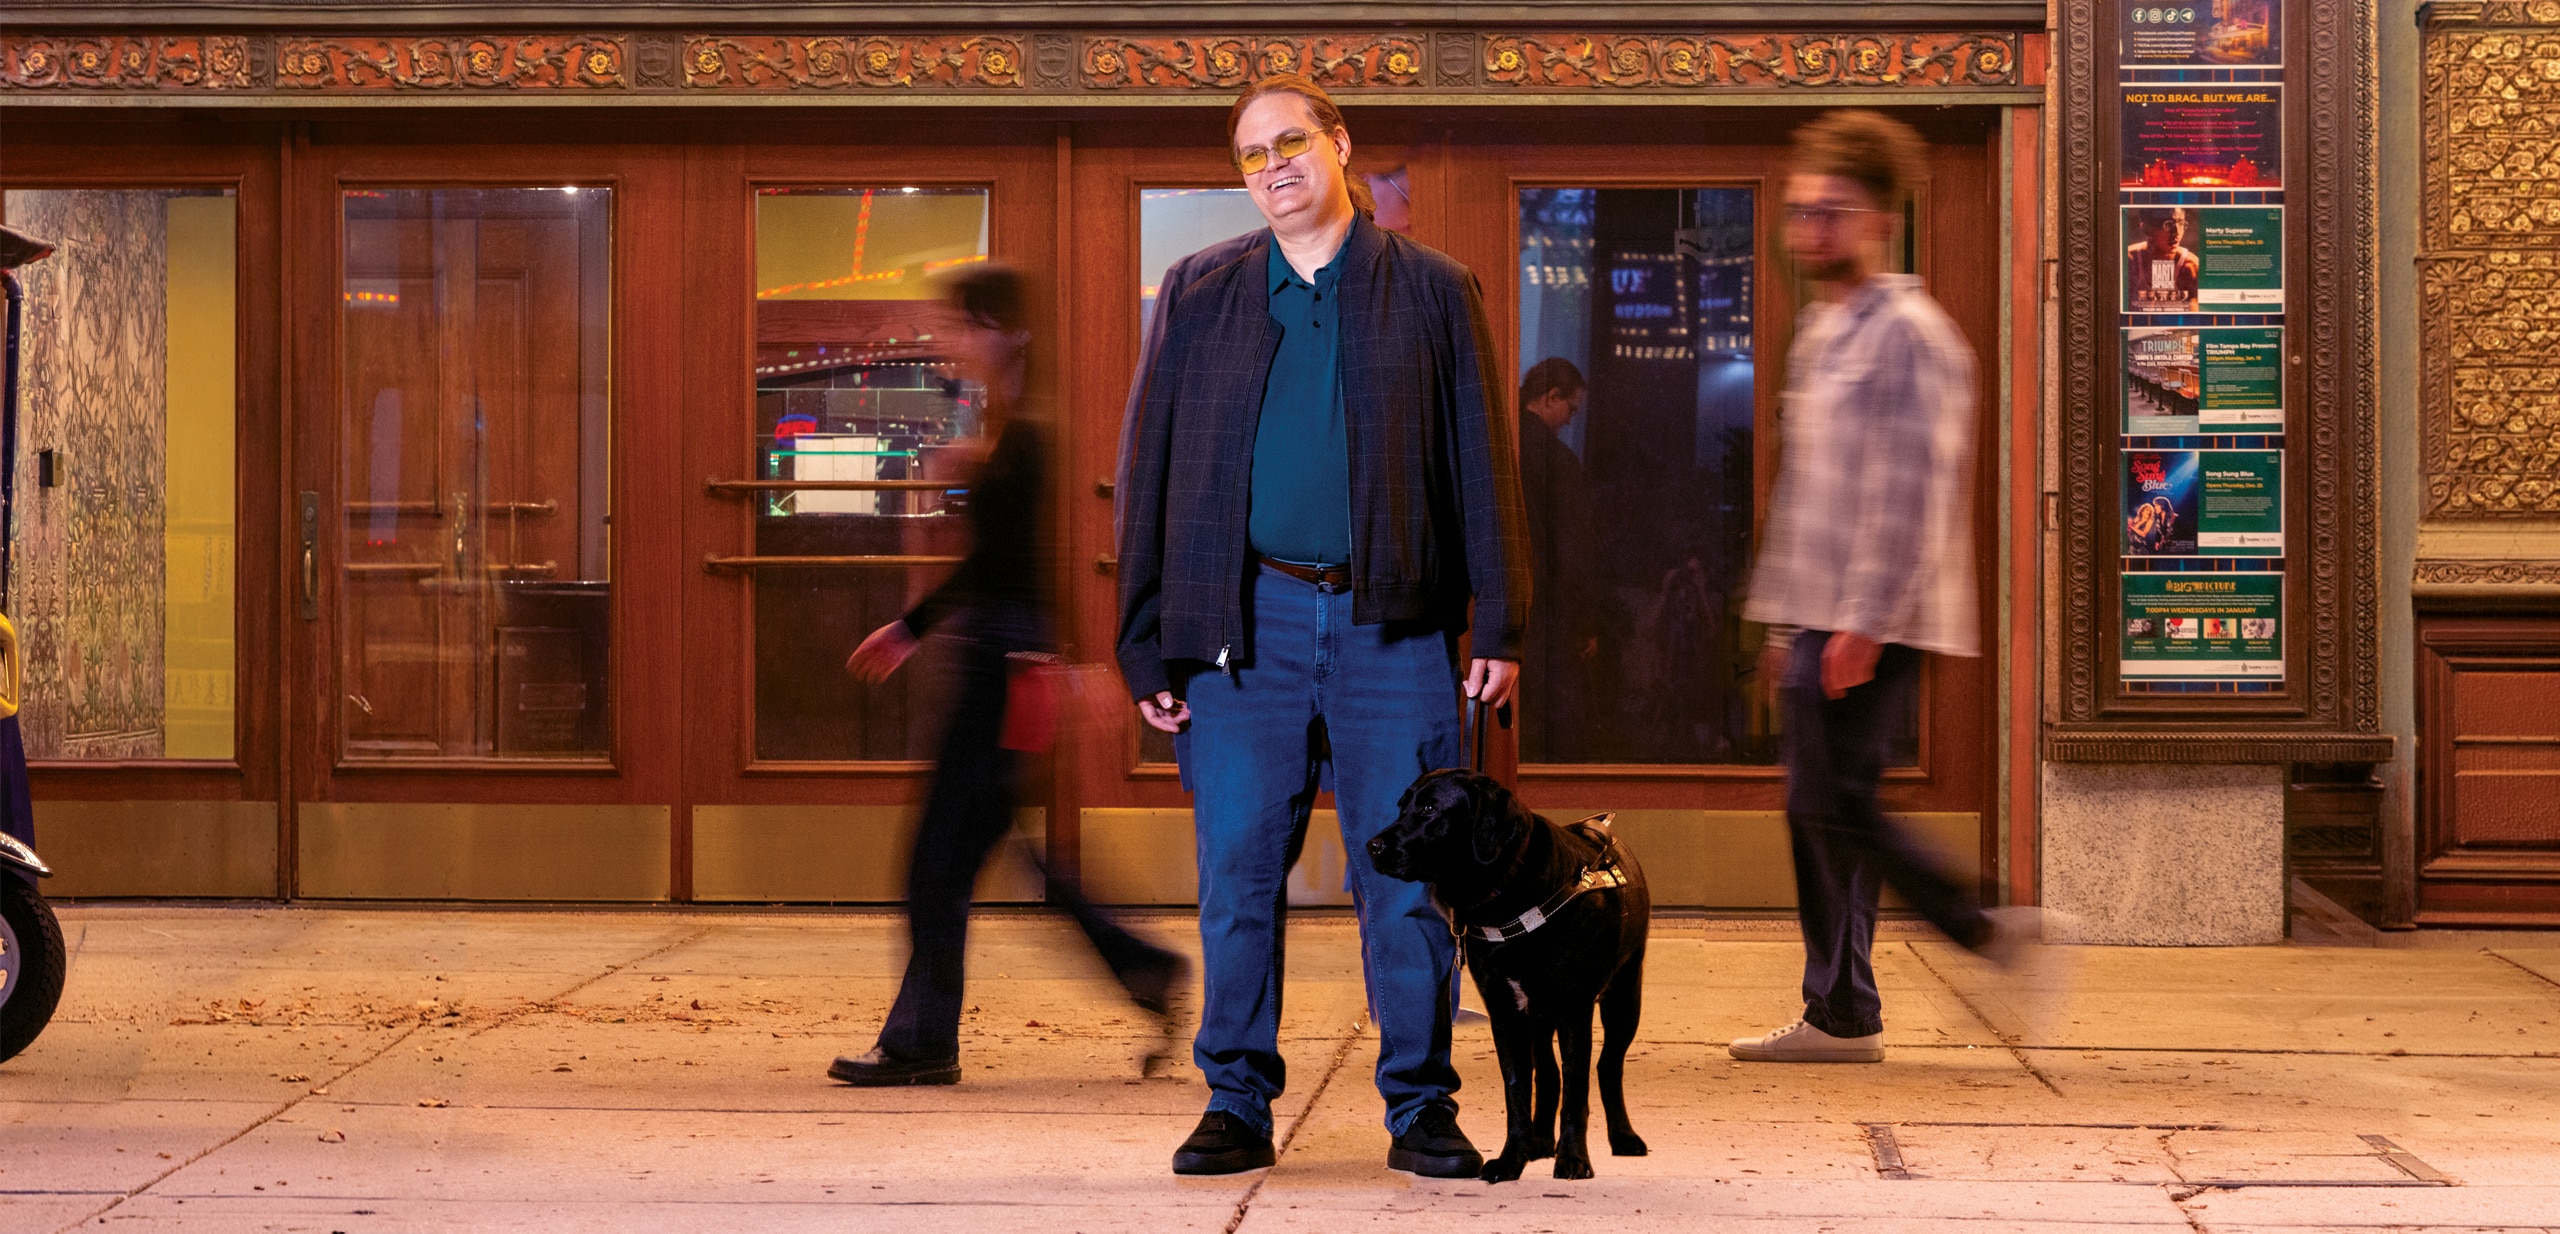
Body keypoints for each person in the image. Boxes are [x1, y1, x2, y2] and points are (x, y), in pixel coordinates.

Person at [1115, 73, 1529, 1177]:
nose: (1273, 167)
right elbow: (1148, 469)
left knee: (1402, 881)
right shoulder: (1197, 292)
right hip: (1241, 627)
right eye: (1251, 154)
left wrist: (1502, 620)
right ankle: (1235, 1100)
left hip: (1393, 623)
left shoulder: (1434, 289)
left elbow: (1483, 465)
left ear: (1340, 145)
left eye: (1291, 141)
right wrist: (1144, 637)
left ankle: (1420, 1106)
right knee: (1237, 874)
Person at [830, 265, 1186, 1087]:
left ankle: (924, 1040)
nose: (953, 343)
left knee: (939, 861)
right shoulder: (1008, 426)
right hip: (1005, 662)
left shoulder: (1027, 435)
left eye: (965, 326)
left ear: (1010, 330)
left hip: (1003, 669)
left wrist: (914, 629)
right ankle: (1143, 970)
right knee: (991, 851)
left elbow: (1008, 560)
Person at [1732, 109, 2016, 1066]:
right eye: (1800, 211)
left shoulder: (1913, 335)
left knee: (1835, 803)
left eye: (1831, 212)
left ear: (1878, 218)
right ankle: (1841, 1010)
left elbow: (1910, 495)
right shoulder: (1822, 330)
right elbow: (1807, 490)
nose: (1809, 230)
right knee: (1821, 806)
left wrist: (1859, 626)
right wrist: (1785, 620)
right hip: (1822, 611)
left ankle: (1981, 928)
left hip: (1875, 616)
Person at [1515, 358, 1598, 764]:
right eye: (1570, 409)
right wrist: (1583, 627)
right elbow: (1572, 556)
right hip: (1546, 614)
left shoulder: (1497, 444)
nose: (1569, 420)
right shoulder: (1558, 462)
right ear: (1551, 397)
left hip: (1490, 608)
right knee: (1562, 725)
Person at [2125, 207, 2200, 312]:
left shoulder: (2191, 266)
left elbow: (2196, 319)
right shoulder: (2129, 260)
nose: (2177, 232)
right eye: (2168, 224)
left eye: (2181, 223)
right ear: (2146, 228)